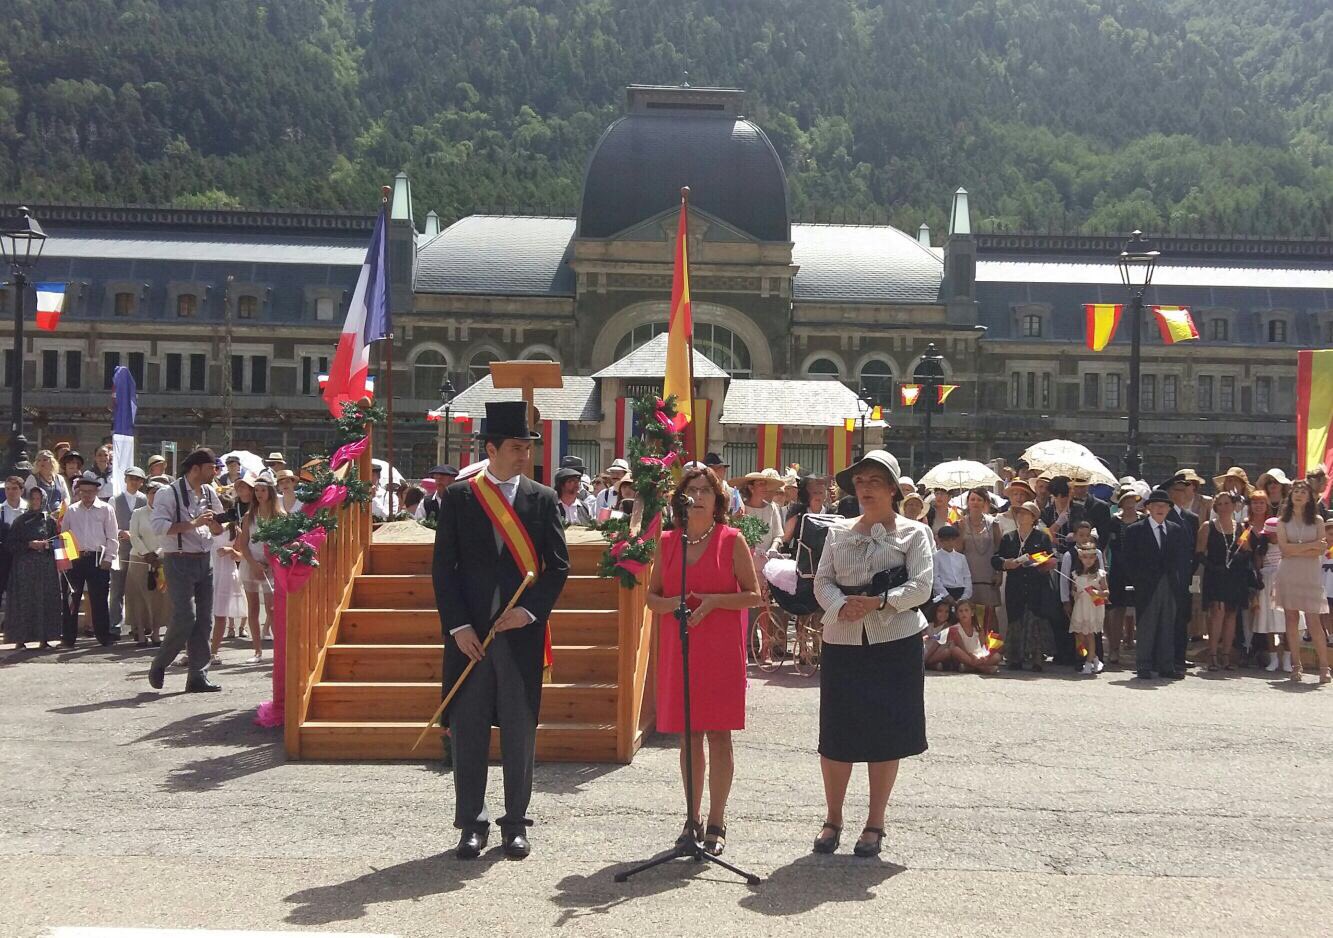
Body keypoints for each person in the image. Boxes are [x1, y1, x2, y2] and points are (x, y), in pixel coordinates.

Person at [434, 401, 570, 861]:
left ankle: (516, 824)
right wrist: (457, 627)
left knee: (519, 731)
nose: (524, 455)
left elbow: (558, 567)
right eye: (515, 447)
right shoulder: (459, 497)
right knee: (468, 730)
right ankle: (471, 824)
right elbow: (444, 569)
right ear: (490, 449)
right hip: (470, 639)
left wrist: (529, 613)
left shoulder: (542, 498)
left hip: (520, 637)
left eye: (527, 447)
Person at [811, 450, 932, 858]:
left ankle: (875, 823)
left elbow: (922, 586)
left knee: (886, 734)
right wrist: (840, 605)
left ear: (893, 489)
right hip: (842, 640)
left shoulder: (915, 533)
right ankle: (833, 818)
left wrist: (879, 602)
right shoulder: (837, 531)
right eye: (860, 482)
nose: (865, 488)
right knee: (837, 733)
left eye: (874, 481)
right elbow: (821, 580)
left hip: (894, 642)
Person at [647, 465, 761, 858]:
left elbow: (753, 594)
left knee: (719, 735)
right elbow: (652, 597)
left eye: (705, 491)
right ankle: (691, 820)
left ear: (718, 501)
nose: (697, 497)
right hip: (681, 646)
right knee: (690, 735)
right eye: (691, 490)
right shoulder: (667, 542)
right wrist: (673, 605)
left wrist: (714, 602)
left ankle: (716, 820)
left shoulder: (731, 539)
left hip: (720, 648)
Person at [148, 447, 226, 693]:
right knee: (185, 617)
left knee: (204, 620)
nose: (214, 472)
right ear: (195, 468)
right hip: (178, 560)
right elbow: (159, 527)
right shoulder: (168, 493)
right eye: (211, 467)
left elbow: (219, 528)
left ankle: (197, 677)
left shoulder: (209, 491)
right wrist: (194, 523)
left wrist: (215, 525)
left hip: (204, 560)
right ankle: (160, 663)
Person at [1123, 490, 1192, 680]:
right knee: (1146, 625)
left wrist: (1180, 582)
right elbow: (1128, 559)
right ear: (1149, 508)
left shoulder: (1175, 529)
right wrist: (1138, 581)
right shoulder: (1135, 530)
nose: (1160, 509)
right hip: (1147, 585)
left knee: (1168, 625)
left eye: (1164, 506)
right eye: (1156, 505)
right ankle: (1144, 665)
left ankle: (1166, 665)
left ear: (1169, 509)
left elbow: (1182, 558)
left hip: (1170, 583)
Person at [1274, 480, 1330, 683]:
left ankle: (1324, 667)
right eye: (1296, 491)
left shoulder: (1317, 520)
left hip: (1310, 574)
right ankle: (1296, 665)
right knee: (1291, 618)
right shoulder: (1282, 521)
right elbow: (1284, 549)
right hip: (1288, 573)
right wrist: (1310, 545)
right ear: (1290, 495)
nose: (1299, 494)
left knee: (1313, 620)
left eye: (1303, 492)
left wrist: (1298, 548)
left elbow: (1321, 549)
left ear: (1309, 498)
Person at [991, 501, 1056, 670]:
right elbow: (996, 559)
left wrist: (1043, 563)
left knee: (1036, 620)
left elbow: (1050, 557)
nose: (1021, 516)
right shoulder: (1009, 537)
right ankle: (1015, 657)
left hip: (1036, 585)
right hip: (1016, 585)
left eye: (1025, 513)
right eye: (1019, 513)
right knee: (1015, 619)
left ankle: (1037, 657)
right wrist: (1006, 563)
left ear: (1033, 518)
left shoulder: (1042, 537)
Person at [61, 473, 119, 647]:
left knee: (99, 599)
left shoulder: (106, 509)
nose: (86, 495)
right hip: (75, 557)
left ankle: (103, 636)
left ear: (96, 492)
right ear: (78, 492)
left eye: (90, 491)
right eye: (83, 491)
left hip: (97, 558)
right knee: (71, 599)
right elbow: (64, 536)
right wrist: (66, 560)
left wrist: (109, 558)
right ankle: (68, 638)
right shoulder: (71, 510)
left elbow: (112, 536)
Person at [3, 484, 62, 650]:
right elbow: (10, 544)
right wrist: (29, 544)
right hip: (24, 569)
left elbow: (57, 543)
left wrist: (47, 545)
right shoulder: (20, 521)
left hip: (45, 569)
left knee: (44, 601)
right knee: (24, 602)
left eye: (39, 498)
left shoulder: (50, 521)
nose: (36, 501)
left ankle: (45, 638)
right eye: (33, 498)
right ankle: (20, 638)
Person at [1198, 490, 1252, 671]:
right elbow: (1199, 552)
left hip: (1234, 576)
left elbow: (1247, 550)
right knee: (1217, 614)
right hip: (1215, 575)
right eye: (1219, 504)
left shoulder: (1241, 528)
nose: (1223, 507)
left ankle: (1226, 656)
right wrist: (1213, 567)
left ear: (1234, 505)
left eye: (1227, 503)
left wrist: (1241, 557)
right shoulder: (1208, 526)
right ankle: (1212, 655)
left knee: (1231, 614)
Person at [235, 471, 284, 663]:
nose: (259, 494)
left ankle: (279, 651)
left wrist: (269, 562)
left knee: (272, 609)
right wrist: (254, 564)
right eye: (256, 490)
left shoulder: (280, 516)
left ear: (270, 492)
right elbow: (244, 544)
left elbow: (283, 543)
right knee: (253, 608)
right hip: (251, 564)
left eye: (263, 490)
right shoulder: (249, 516)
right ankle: (257, 651)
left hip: (272, 565)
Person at [127, 481, 170, 646]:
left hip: (161, 559)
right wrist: (145, 553)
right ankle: (140, 632)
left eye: (158, 493)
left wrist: (157, 553)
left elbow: (169, 536)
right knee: (138, 596)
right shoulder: (138, 513)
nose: (155, 496)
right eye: (152, 493)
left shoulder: (168, 513)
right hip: (139, 558)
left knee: (160, 597)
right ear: (147, 494)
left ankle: (156, 632)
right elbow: (133, 535)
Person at [109, 467, 148, 641]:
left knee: (139, 589)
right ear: (125, 480)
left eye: (137, 479)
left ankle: (139, 625)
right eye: (131, 478)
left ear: (141, 482)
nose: (134, 481)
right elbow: (109, 524)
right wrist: (120, 532)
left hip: (140, 550)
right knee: (117, 589)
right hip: (121, 550)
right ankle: (115, 626)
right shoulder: (115, 500)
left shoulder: (145, 500)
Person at [1104, 486, 1140, 665]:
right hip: (1118, 569)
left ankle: (1141, 650)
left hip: (1138, 569)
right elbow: (1107, 545)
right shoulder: (1114, 522)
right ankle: (1114, 649)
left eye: (1133, 499)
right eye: (1127, 500)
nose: (1130, 503)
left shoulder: (1143, 520)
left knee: (1140, 609)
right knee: (1117, 609)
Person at [958, 487, 1002, 634]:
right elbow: (958, 551)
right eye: (972, 499)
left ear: (985, 502)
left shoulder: (993, 523)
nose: (975, 502)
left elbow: (999, 550)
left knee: (990, 614)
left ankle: (994, 645)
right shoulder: (960, 523)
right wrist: (960, 532)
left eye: (979, 499)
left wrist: (999, 573)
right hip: (968, 575)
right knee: (969, 614)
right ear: (968, 502)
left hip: (989, 575)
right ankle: (974, 644)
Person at [1251, 508, 1288, 671]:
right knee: (1269, 623)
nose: (1273, 537)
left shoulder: (1286, 548)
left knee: (1286, 622)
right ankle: (1273, 658)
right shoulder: (1261, 550)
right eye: (1270, 534)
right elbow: (1258, 569)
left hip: (1284, 584)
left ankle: (1287, 659)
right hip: (1266, 586)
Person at [1069, 543, 1108, 675]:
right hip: (1080, 607)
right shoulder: (1075, 574)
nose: (1088, 560)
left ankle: (1088, 663)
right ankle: (1094, 658)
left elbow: (1106, 592)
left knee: (1090, 635)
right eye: (1085, 557)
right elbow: (1073, 590)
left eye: (1091, 557)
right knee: (1080, 637)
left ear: (1095, 558)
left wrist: (1097, 593)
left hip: (1093, 606)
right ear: (1080, 558)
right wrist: (1075, 593)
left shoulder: (1099, 574)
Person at [945, 602, 997, 674]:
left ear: (972, 613)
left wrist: (982, 657)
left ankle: (970, 667)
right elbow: (962, 648)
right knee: (955, 650)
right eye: (961, 611)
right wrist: (971, 656)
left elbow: (981, 647)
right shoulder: (955, 629)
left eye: (966, 610)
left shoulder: (978, 629)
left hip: (978, 655)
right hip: (965, 656)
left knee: (997, 656)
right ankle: (981, 668)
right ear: (957, 615)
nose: (964, 613)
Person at [0, 475, 25, 624]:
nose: (10, 492)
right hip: (3, 556)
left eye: (14, 488)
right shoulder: (0, 510)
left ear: (22, 490)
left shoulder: (28, 509)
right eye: (8, 489)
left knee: (22, 591)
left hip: (24, 556)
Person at [783, 473, 830, 550]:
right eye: (815, 493)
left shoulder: (831, 513)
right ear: (806, 494)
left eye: (821, 493)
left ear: (825, 495)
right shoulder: (797, 511)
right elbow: (786, 540)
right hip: (800, 555)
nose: (818, 496)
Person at [932, 525, 972, 605]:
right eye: (947, 540)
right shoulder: (936, 557)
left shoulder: (961, 557)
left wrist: (965, 596)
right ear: (940, 541)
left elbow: (967, 577)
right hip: (944, 591)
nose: (950, 543)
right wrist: (946, 595)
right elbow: (935, 578)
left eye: (953, 539)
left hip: (961, 591)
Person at [26, 450, 68, 516]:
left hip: (59, 515)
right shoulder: (32, 478)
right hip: (40, 516)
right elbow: (30, 499)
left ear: (52, 462)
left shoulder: (59, 478)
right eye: (39, 460)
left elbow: (66, 497)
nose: (41, 462)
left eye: (45, 460)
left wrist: (61, 509)